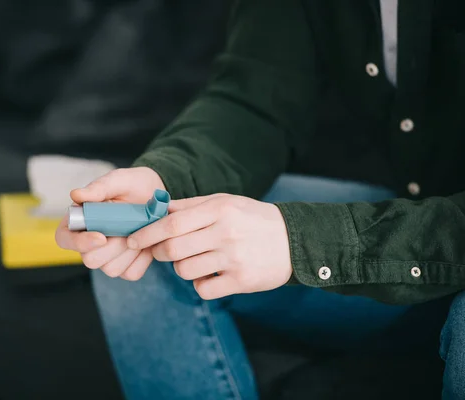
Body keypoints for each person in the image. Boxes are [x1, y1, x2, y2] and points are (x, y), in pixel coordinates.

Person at [55, 1, 465, 399]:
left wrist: (304, 242)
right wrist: (166, 178)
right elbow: (256, 96)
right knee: (155, 244)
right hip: (413, 245)